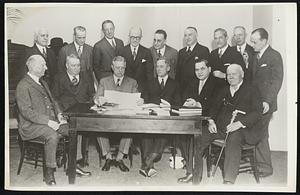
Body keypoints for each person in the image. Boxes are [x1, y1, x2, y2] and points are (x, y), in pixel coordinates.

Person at [15, 55, 91, 186]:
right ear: (33, 67)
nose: (46, 67)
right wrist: (49, 122)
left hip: (49, 121)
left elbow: (53, 101)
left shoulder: (42, 82)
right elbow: (26, 112)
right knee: (52, 135)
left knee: (73, 129)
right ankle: (48, 173)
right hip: (30, 126)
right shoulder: (23, 85)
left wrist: (60, 115)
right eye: (43, 65)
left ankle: (72, 166)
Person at [200, 64, 262, 184]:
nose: (231, 77)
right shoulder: (223, 90)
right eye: (228, 74)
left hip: (243, 130)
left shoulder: (252, 89)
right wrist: (211, 121)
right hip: (222, 128)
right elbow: (213, 108)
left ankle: (229, 179)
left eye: (234, 74)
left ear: (242, 74)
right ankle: (193, 173)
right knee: (200, 134)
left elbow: (257, 113)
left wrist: (240, 123)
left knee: (234, 138)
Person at [94, 56, 143, 172]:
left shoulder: (132, 82)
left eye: (122, 68)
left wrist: (140, 101)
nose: (120, 70)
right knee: (96, 125)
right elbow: (96, 97)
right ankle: (108, 157)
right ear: (112, 67)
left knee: (131, 126)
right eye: (117, 68)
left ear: (125, 68)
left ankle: (120, 157)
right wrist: (98, 100)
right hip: (108, 118)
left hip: (124, 119)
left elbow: (137, 98)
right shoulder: (104, 81)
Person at [177, 59, 218, 183]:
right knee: (181, 136)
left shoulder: (217, 83)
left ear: (209, 69)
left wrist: (198, 104)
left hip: (209, 121)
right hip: (193, 120)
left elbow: (216, 106)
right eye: (196, 69)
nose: (199, 72)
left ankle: (194, 175)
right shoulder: (192, 82)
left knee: (196, 141)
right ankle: (189, 166)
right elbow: (185, 97)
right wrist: (187, 102)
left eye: (202, 69)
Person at [250, 28, 283, 178]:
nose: (252, 44)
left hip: (265, 104)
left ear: (264, 41)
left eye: (254, 42)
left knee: (261, 133)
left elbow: (276, 82)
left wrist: (267, 101)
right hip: (254, 103)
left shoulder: (274, 56)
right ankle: (259, 165)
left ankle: (265, 167)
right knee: (258, 132)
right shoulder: (255, 55)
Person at [140, 57, 181, 177]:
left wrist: (170, 106)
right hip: (151, 118)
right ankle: (150, 165)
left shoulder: (175, 84)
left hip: (166, 120)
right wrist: (142, 102)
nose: (158, 69)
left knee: (162, 134)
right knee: (145, 134)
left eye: (161, 66)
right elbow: (144, 100)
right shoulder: (149, 82)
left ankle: (146, 163)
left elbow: (178, 104)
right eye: (157, 66)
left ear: (168, 68)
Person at [52, 54, 95, 168]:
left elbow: (91, 95)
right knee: (75, 128)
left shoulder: (86, 78)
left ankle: (78, 157)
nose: (76, 68)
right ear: (66, 65)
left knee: (81, 127)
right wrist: (60, 113)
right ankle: (74, 158)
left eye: (78, 65)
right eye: (73, 65)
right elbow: (54, 99)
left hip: (83, 113)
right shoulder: (58, 78)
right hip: (65, 113)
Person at [176, 26, 210, 96]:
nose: (187, 38)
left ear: (196, 35)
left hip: (196, 90)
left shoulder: (203, 50)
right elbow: (178, 73)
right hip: (182, 90)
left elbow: (206, 73)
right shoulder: (181, 52)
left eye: (190, 35)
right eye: (185, 35)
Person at [120, 27, 154, 95]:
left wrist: (148, 91)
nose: (135, 40)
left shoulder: (147, 52)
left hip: (142, 89)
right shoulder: (122, 51)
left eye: (137, 37)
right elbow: (119, 72)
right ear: (129, 37)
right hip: (125, 88)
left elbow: (149, 74)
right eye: (132, 37)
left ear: (141, 37)